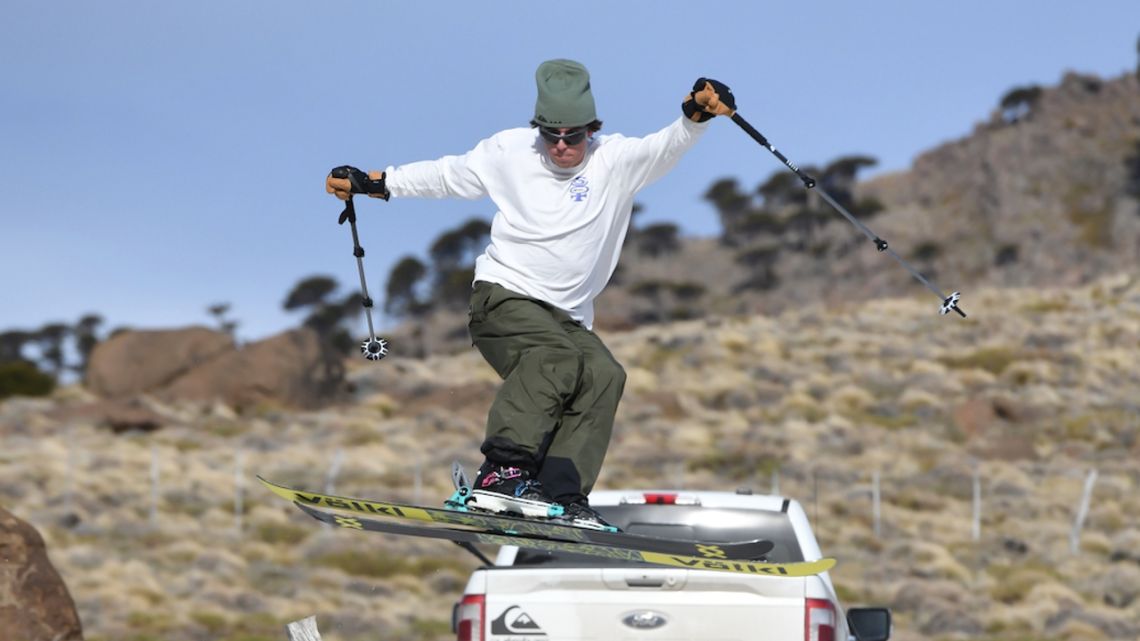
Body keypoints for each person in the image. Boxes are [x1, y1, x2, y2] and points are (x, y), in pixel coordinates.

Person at [326, 59, 735, 530]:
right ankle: (502, 472)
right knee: (554, 358)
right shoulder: (509, 152)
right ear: (538, 129)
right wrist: (375, 183)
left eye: (574, 136)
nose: (561, 146)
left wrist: (695, 116)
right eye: (551, 135)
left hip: (568, 316)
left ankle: (562, 494)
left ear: (591, 130)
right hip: (504, 298)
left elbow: (667, 147)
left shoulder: (615, 160)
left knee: (603, 374)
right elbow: (447, 175)